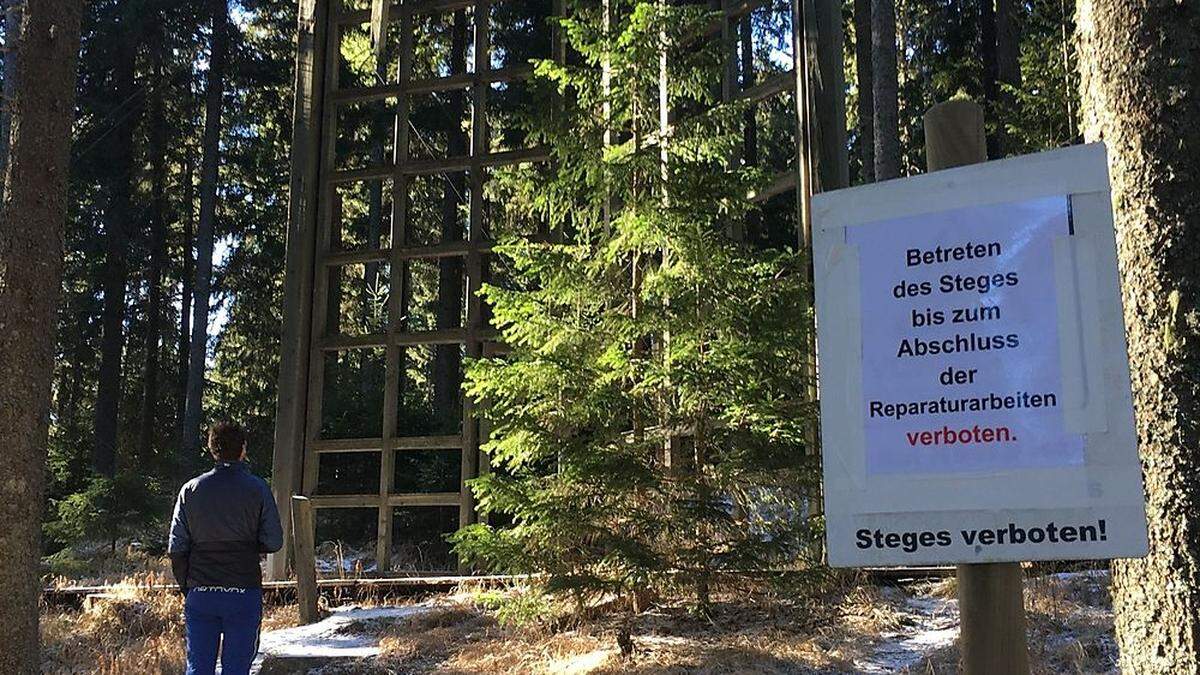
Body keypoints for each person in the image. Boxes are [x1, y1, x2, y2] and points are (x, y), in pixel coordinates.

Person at [168, 421, 284, 675]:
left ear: (212, 450)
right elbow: (274, 540)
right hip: (243, 591)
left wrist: (188, 586)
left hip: (201, 592)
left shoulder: (190, 490)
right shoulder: (257, 488)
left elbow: (176, 547)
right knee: (237, 669)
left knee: (198, 668)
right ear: (243, 449)